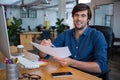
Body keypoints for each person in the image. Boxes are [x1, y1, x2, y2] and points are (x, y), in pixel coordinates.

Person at [39, 3, 108, 74]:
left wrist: (72, 63)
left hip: (87, 75)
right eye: (76, 15)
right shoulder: (65, 34)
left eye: (83, 15)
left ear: (88, 19)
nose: (79, 19)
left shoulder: (97, 36)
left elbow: (101, 67)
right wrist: (43, 49)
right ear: (73, 17)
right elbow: (45, 55)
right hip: (67, 73)